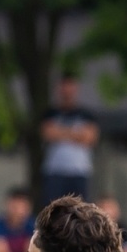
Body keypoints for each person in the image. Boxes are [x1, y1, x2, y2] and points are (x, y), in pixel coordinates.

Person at [40, 75, 99, 205]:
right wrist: (76, 134)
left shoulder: (86, 115)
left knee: (80, 208)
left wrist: (60, 132)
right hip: (55, 171)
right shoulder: (50, 113)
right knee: (53, 207)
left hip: (79, 171)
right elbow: (48, 133)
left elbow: (90, 137)